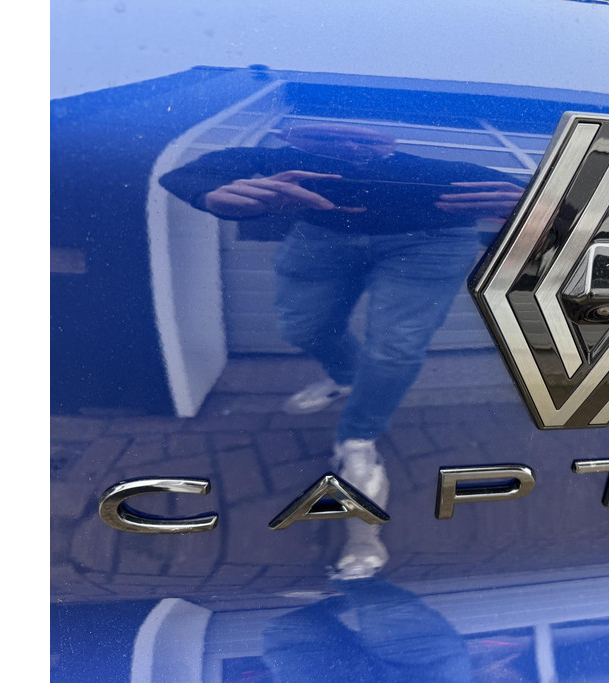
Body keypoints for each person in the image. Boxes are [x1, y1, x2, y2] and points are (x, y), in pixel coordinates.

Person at [160, 123, 522, 576]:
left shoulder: (435, 167)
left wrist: (536, 206)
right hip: (321, 235)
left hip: (432, 242)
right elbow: (184, 173)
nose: (351, 145)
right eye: (333, 137)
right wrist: (208, 193)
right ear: (297, 139)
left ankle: (358, 439)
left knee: (395, 348)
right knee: (301, 327)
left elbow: (550, 195)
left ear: (389, 139)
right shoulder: (281, 160)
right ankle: (348, 378)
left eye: (366, 137)